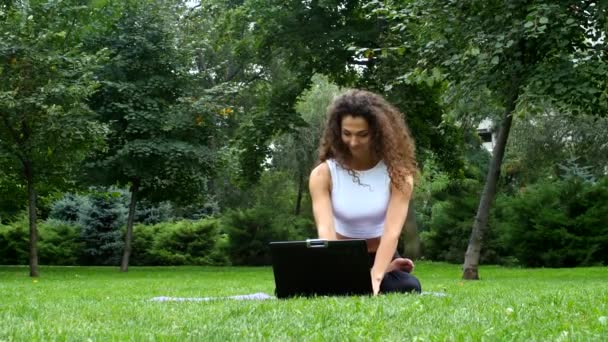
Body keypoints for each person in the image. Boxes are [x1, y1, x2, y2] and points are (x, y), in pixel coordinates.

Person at [309, 89, 421, 295]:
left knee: (408, 286)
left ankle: (386, 272)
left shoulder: (399, 176)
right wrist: (344, 272)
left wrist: (377, 275)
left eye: (362, 134)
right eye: (347, 134)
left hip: (382, 256)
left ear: (377, 133)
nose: (353, 142)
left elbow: (392, 233)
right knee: (304, 286)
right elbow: (326, 233)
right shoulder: (322, 175)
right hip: (339, 258)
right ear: (337, 131)